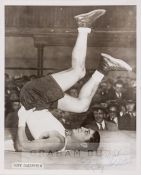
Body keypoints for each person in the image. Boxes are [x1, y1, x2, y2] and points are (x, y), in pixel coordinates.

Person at [15, 9, 132, 153]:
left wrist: (22, 119)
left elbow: (22, 147)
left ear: (83, 144)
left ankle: (83, 26)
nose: (84, 128)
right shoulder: (63, 137)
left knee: (79, 72)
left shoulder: (57, 142)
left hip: (33, 97)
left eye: (86, 133)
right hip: (40, 102)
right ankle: (103, 68)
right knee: (82, 106)